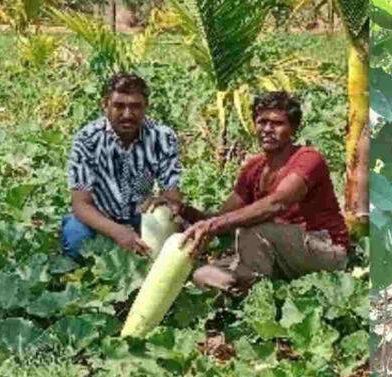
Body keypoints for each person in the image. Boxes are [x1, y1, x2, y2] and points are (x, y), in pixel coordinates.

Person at [161, 91, 349, 293]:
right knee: (203, 275)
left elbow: (278, 203)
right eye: (262, 122)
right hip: (275, 254)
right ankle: (253, 293)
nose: (267, 129)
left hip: (324, 249)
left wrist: (213, 225)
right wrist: (183, 211)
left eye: (277, 123)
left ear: (293, 128)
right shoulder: (254, 168)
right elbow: (221, 217)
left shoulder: (308, 159)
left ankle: (255, 295)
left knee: (254, 229)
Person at [62, 73, 183, 259]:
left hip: (141, 215)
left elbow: (172, 194)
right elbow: (80, 204)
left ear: (146, 107)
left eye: (135, 106)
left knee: (177, 243)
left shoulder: (162, 137)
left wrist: (167, 202)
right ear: (105, 105)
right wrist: (118, 232)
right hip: (99, 217)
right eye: (119, 106)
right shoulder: (87, 140)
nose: (127, 114)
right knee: (77, 243)